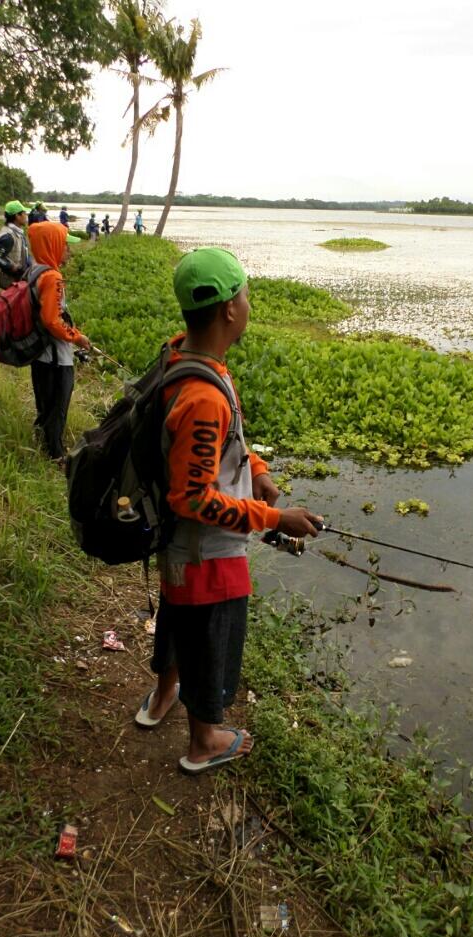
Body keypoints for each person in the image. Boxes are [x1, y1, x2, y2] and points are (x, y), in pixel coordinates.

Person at [134, 247, 322, 774]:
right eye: (244, 292)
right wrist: (273, 519)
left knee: (176, 626)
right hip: (206, 555)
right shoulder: (205, 396)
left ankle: (160, 699)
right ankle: (205, 742)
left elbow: (223, 443)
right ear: (229, 311)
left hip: (180, 551)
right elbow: (192, 498)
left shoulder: (185, 358)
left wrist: (256, 469)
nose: (248, 301)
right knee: (210, 643)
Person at [27, 221, 90, 464]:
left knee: (45, 404)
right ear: (52, 245)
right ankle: (55, 455)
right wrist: (78, 337)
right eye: (65, 245)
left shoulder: (35, 270)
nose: (68, 251)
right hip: (55, 357)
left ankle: (42, 442)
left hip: (40, 355)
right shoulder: (52, 278)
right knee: (58, 408)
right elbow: (52, 321)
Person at [0, 200, 30, 288]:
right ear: (17, 216)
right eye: (24, 213)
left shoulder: (19, 232)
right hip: (11, 282)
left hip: (20, 281)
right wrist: (12, 267)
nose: (26, 216)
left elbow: (25, 254)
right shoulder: (8, 236)